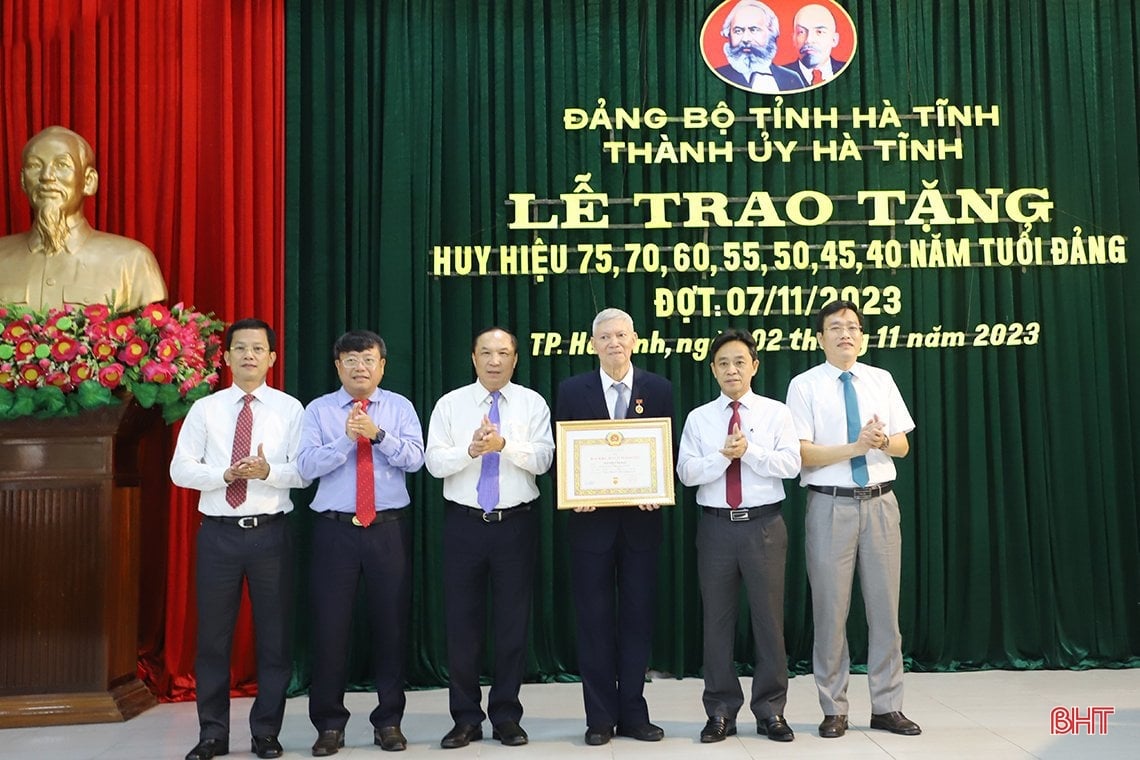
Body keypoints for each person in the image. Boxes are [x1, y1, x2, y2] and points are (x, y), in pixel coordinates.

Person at [169, 318, 308, 760]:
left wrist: (269, 471)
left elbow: (305, 472)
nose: (249, 355)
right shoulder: (205, 410)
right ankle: (212, 733)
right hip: (219, 536)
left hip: (271, 535)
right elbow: (180, 470)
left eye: (258, 348)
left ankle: (266, 732)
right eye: (240, 348)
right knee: (213, 638)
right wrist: (224, 473)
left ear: (272, 358)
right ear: (226, 357)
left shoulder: (290, 409)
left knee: (275, 638)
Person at [785, 301, 921, 739]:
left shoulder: (881, 380)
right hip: (829, 506)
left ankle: (887, 706)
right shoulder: (803, 385)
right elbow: (804, 453)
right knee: (830, 611)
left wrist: (881, 441)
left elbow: (901, 444)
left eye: (853, 327)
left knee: (885, 612)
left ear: (861, 336)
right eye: (836, 327)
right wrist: (857, 446)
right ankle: (834, 708)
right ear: (820, 337)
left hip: (880, 503)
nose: (846, 333)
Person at [297, 330, 425, 756]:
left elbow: (417, 459)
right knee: (331, 628)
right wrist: (347, 440)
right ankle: (329, 725)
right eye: (350, 360)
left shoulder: (400, 407)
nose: (360, 367)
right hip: (334, 531)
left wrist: (379, 435)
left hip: (388, 529)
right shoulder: (318, 410)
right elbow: (306, 465)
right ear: (338, 366)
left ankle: (388, 721)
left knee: (391, 626)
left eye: (368, 359)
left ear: (382, 366)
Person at [425, 327, 554, 749]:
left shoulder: (532, 403)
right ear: (473, 358)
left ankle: (506, 716)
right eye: (486, 352)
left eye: (503, 353)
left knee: (513, 626)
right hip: (464, 524)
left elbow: (544, 458)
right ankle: (465, 718)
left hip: (515, 524)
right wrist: (472, 450)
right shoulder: (451, 404)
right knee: (462, 625)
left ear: (515, 360)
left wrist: (504, 444)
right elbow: (433, 462)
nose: (495, 360)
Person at [554, 307, 673, 746]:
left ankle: (635, 714)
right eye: (605, 337)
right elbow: (563, 452)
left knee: (639, 620)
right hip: (591, 528)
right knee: (593, 620)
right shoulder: (572, 390)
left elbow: (667, 451)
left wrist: (657, 486)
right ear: (593, 344)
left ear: (635, 340)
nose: (614, 343)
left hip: (642, 525)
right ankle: (599, 717)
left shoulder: (659, 389)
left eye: (621, 335)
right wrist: (573, 490)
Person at [676, 328, 800, 744]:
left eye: (740, 362)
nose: (732, 369)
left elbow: (790, 465)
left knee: (769, 622)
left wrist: (751, 452)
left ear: (754, 367)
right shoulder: (699, 418)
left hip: (764, 525)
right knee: (717, 622)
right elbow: (686, 473)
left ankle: (771, 711)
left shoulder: (775, 413)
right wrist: (721, 457)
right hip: (715, 527)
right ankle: (720, 711)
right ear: (713, 370)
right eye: (723, 363)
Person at [0, 125, 166, 311]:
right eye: (34, 166)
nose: (46, 176)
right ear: (23, 181)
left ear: (89, 181)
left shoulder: (132, 261)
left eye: (62, 165)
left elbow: (149, 333)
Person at [713, 0, 802, 92]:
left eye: (754, 30)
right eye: (738, 31)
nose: (746, 39)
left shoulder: (791, 79)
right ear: (728, 34)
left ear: (771, 33)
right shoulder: (715, 77)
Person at [789, 3, 848, 87]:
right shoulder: (777, 77)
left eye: (819, 32)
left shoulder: (850, 72)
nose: (809, 40)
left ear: (834, 40)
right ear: (793, 39)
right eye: (801, 32)